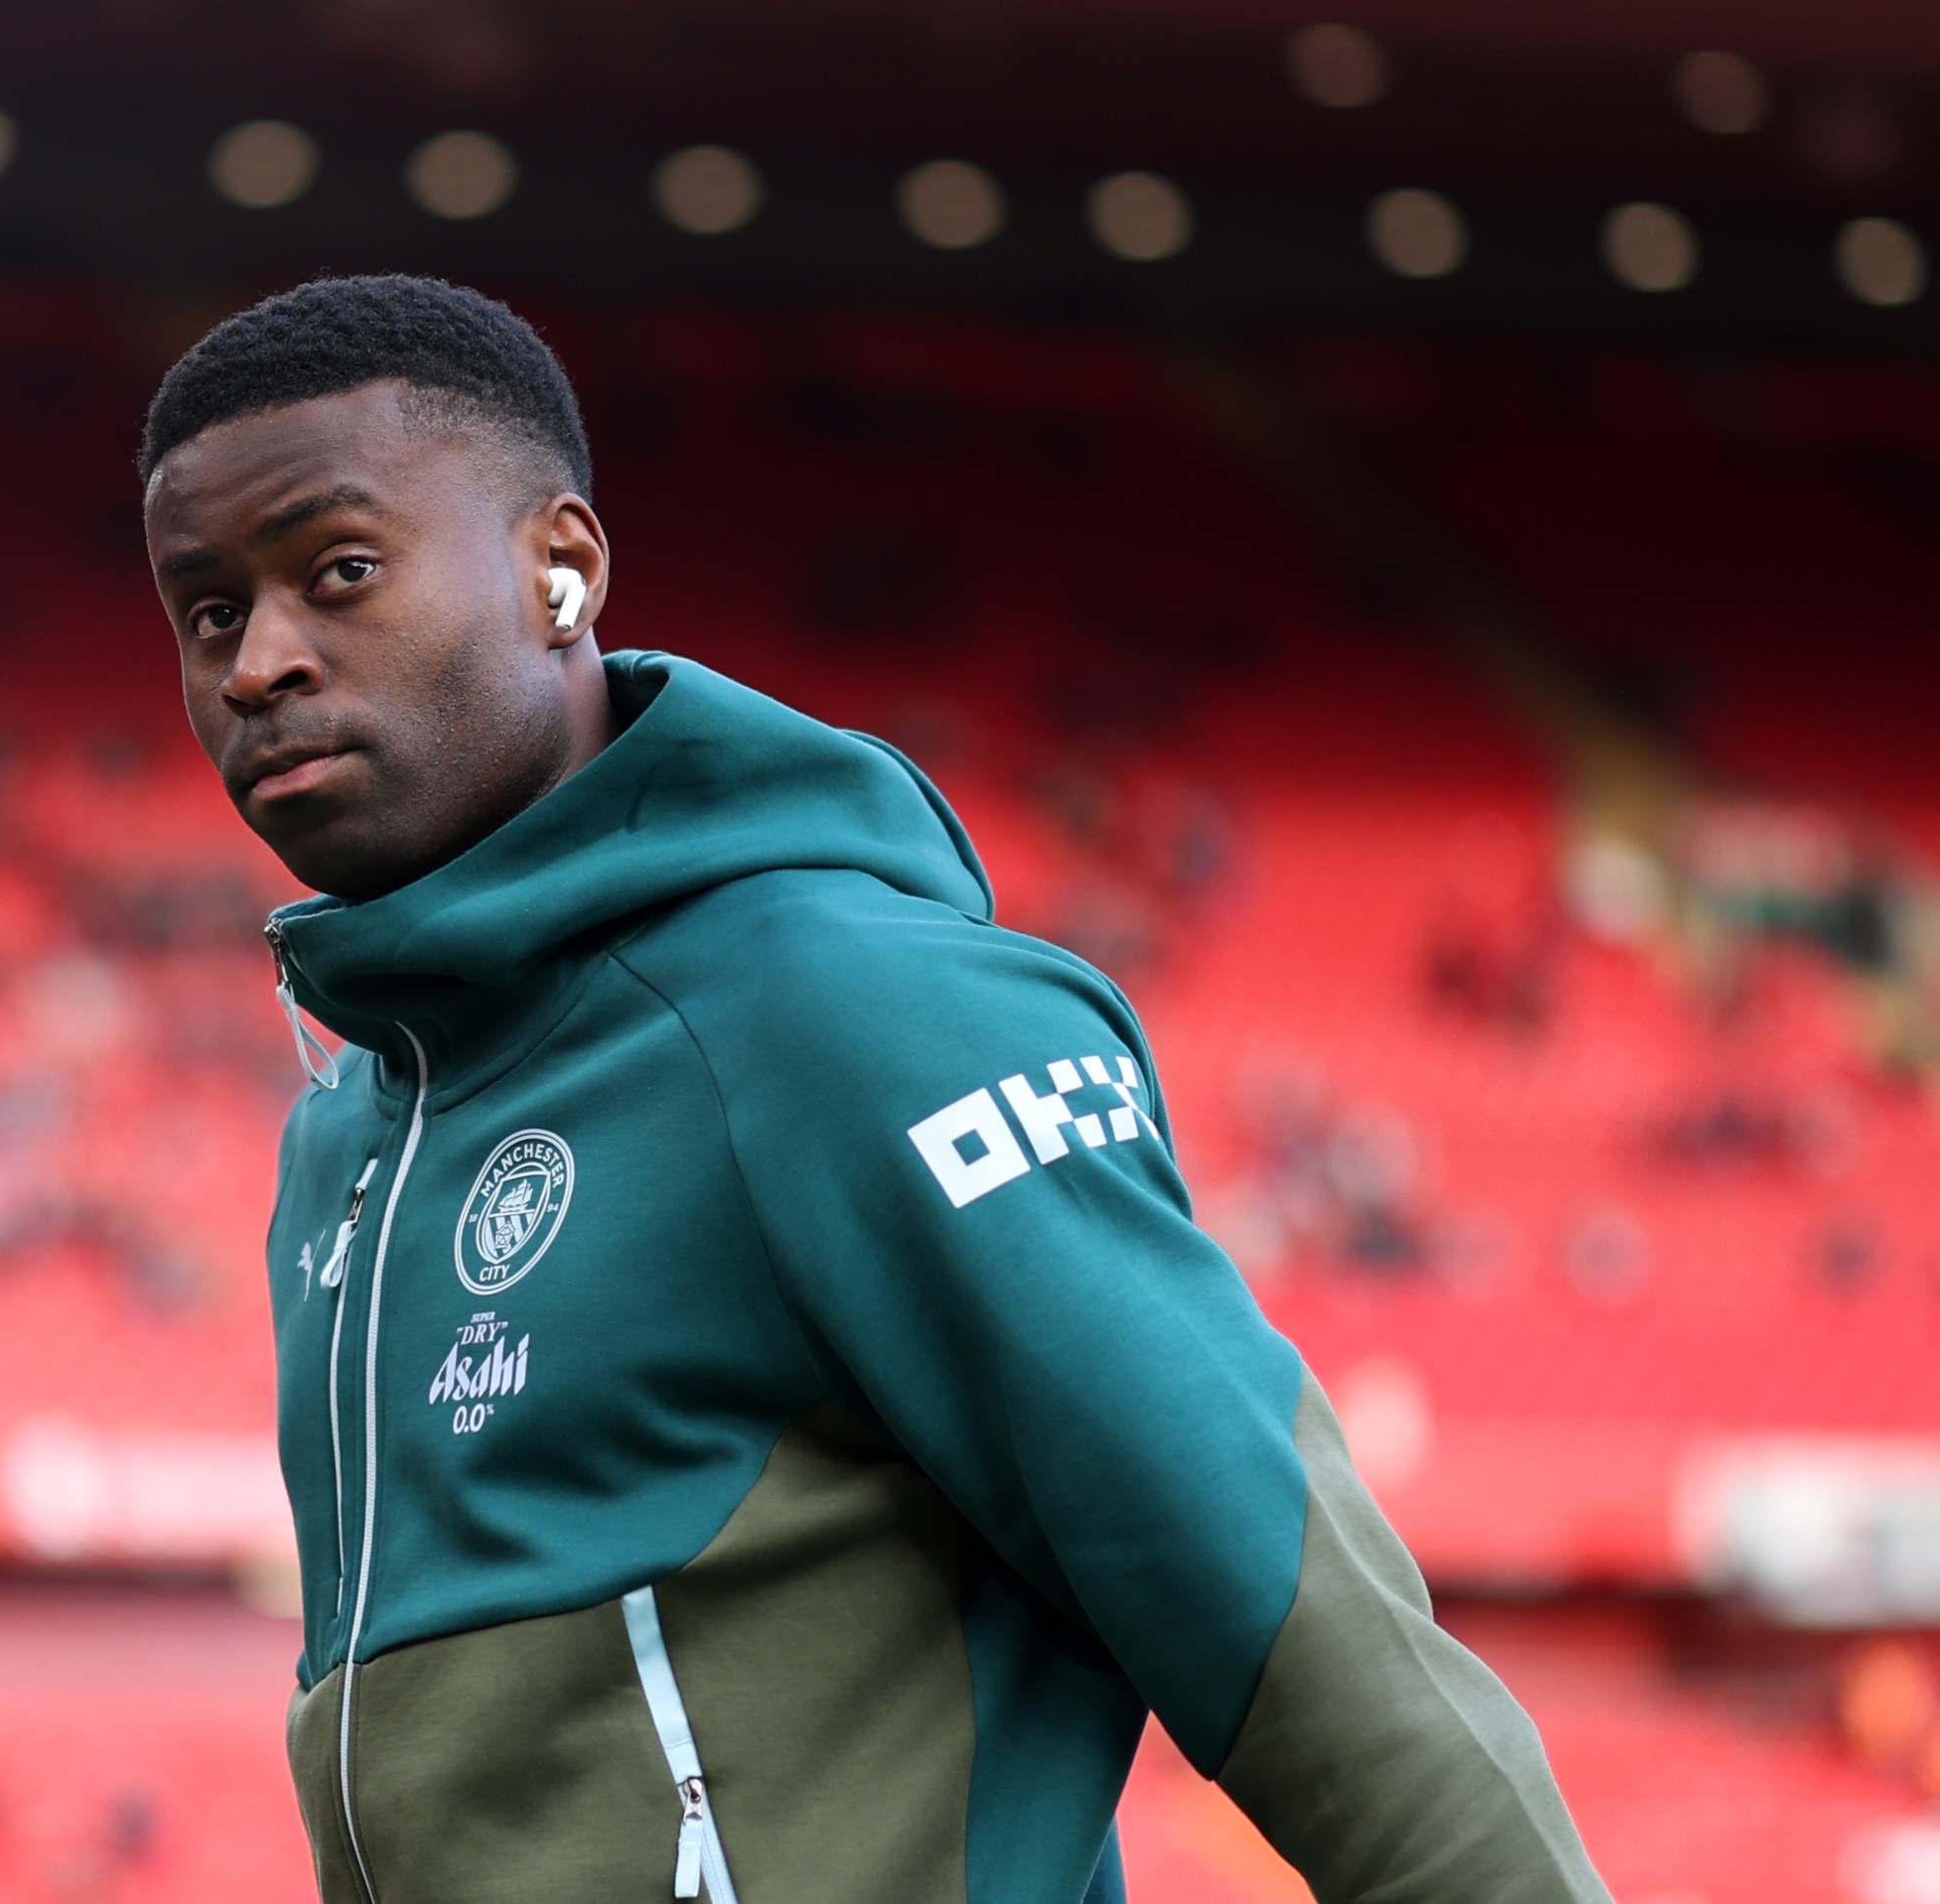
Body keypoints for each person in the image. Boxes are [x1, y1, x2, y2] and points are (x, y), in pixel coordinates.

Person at [137, 275, 1605, 1904]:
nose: (259, 661)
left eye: (338, 573)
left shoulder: (849, 1015)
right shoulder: (345, 1137)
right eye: (209, 613)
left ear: (560, 566)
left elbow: (1295, 1624)